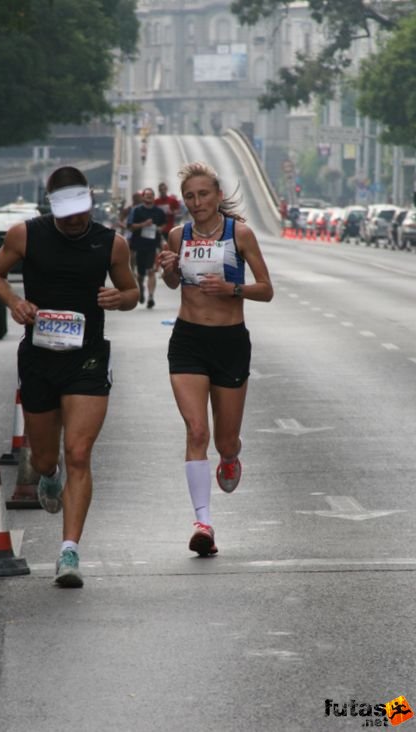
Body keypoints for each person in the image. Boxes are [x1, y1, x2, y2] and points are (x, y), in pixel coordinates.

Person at [0, 166, 139, 588]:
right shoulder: (24, 235)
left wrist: (118, 297)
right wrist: (14, 301)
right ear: (52, 206)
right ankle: (49, 477)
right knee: (49, 459)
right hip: (38, 358)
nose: (76, 220)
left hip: (86, 358)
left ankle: (69, 551)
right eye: (67, 213)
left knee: (79, 453)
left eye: (82, 211)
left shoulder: (112, 243)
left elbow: (132, 293)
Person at [157, 161, 273, 557]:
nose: (197, 202)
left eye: (203, 194)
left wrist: (232, 288)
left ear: (218, 195)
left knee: (223, 440)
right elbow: (174, 283)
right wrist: (169, 269)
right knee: (196, 432)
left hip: (230, 341)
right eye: (189, 196)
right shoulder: (178, 235)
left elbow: (267, 289)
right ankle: (202, 522)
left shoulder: (239, 233)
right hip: (188, 340)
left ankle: (231, 455)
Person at [128, 187, 166, 308]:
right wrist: (143, 224)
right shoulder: (136, 211)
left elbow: (163, 224)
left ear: (154, 197)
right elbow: (130, 227)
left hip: (152, 245)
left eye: (151, 195)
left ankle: (150, 297)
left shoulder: (159, 212)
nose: (149, 197)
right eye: (147, 195)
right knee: (140, 274)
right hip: (139, 245)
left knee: (151, 271)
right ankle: (141, 289)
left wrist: (160, 229)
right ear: (143, 197)